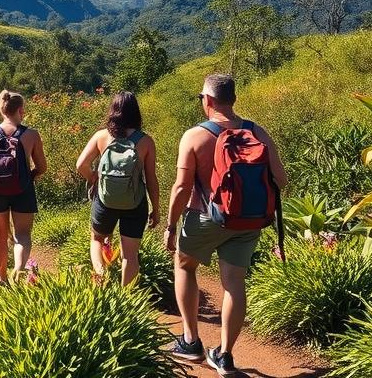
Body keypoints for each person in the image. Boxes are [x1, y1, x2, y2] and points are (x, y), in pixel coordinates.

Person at [164, 74, 288, 377]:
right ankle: (224, 355)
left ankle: (191, 341)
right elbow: (281, 180)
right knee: (234, 283)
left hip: (204, 217)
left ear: (207, 100)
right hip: (248, 220)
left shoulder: (194, 136)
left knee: (184, 265)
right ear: (232, 99)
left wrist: (170, 226)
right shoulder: (256, 131)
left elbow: (181, 188)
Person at [76, 91, 160, 286]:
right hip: (134, 202)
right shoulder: (146, 142)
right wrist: (156, 208)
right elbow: (151, 179)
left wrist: (94, 178)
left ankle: (101, 278)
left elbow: (81, 164)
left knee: (97, 240)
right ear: (135, 113)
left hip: (105, 200)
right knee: (130, 255)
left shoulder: (102, 136)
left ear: (113, 111)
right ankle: (126, 301)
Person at [0, 89, 47, 284]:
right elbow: (42, 167)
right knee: (22, 235)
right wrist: (29, 177)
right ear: (21, 110)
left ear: (2, 109)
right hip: (23, 189)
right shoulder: (31, 134)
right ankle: (18, 270)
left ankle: (2, 280)